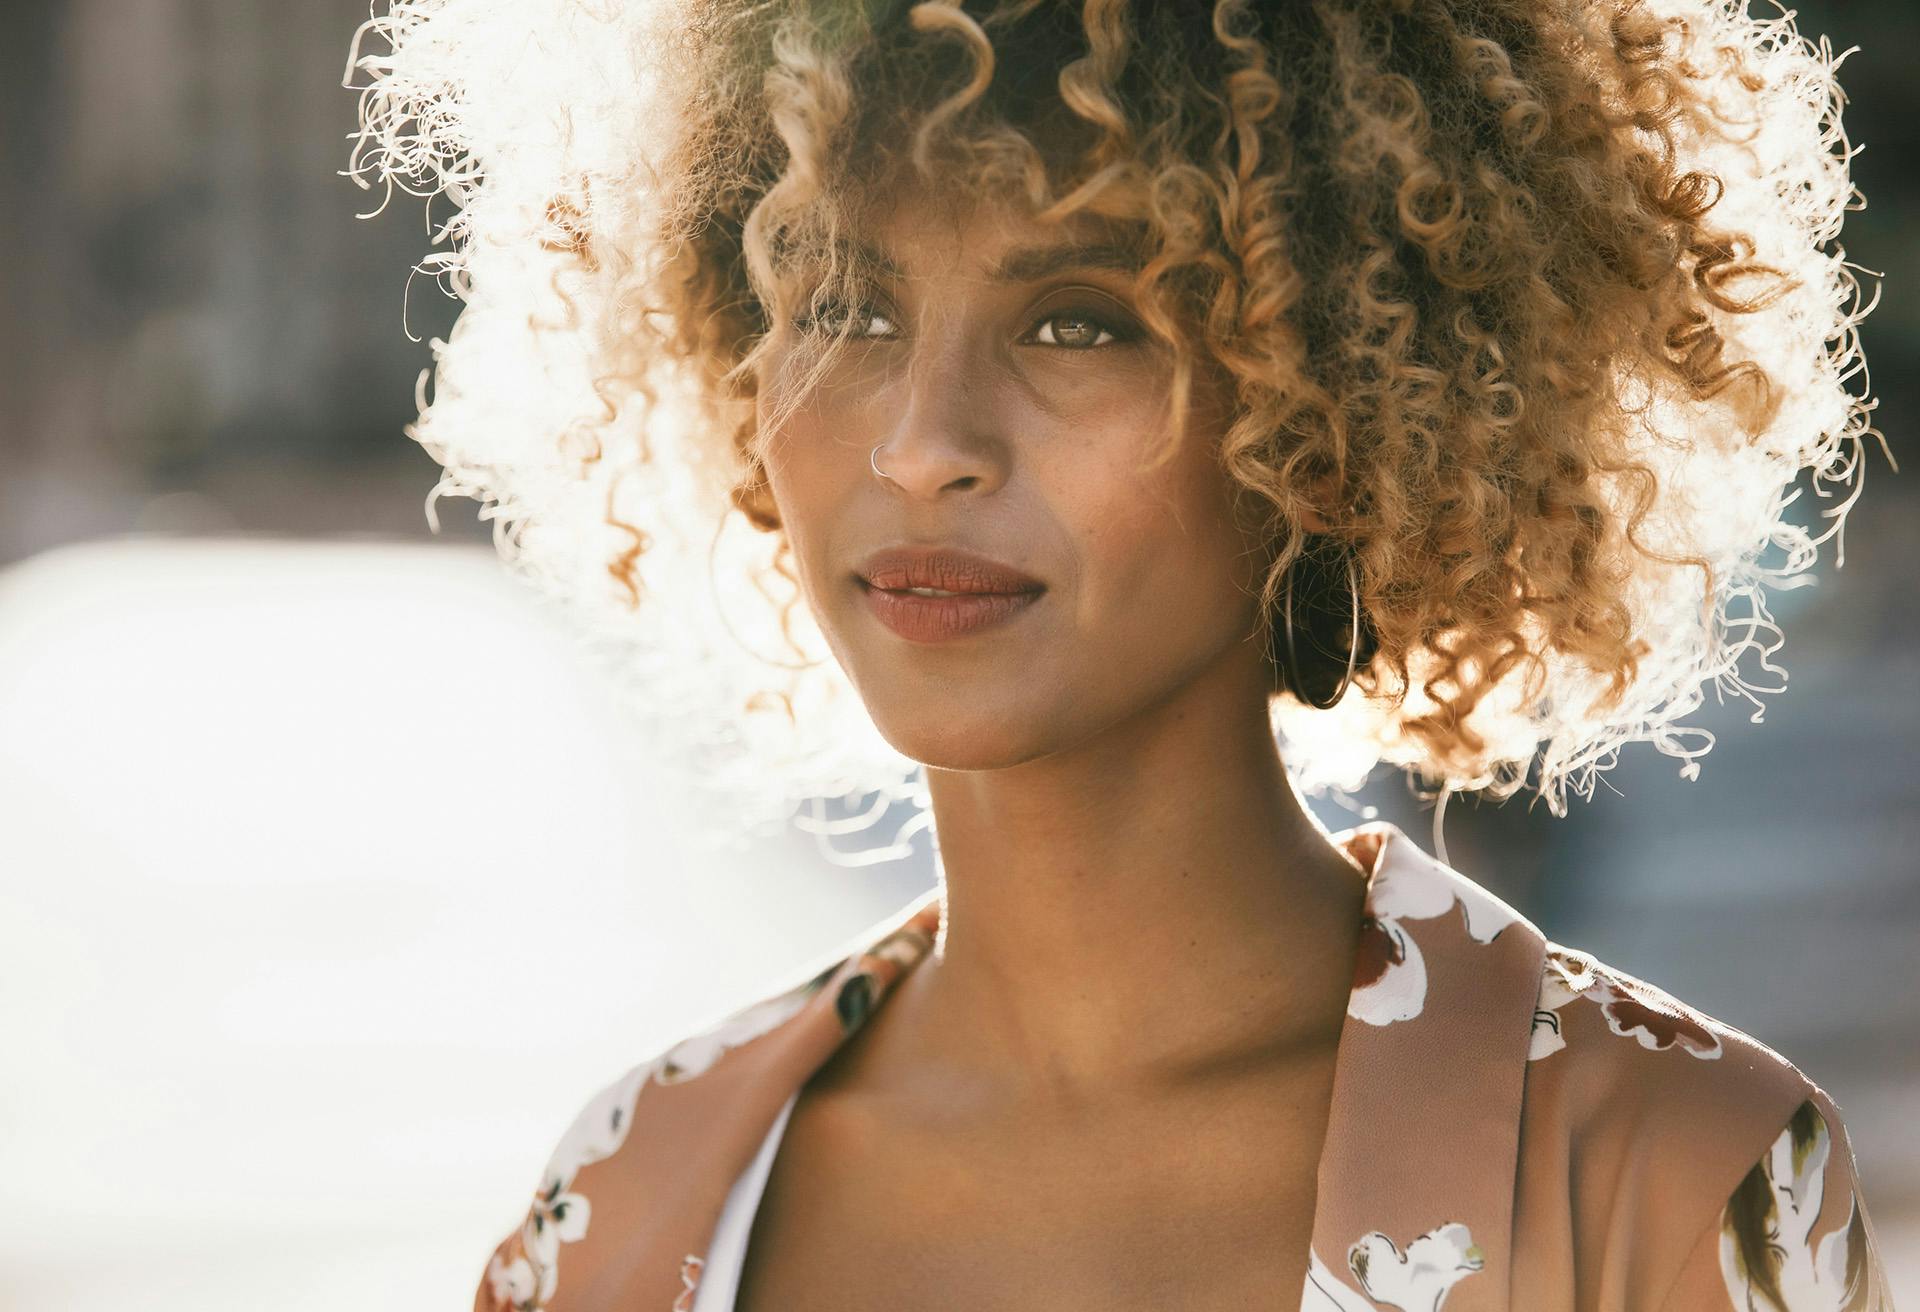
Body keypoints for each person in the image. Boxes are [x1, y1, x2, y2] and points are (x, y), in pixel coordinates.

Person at [344, 0, 1893, 1307]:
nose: (921, 442)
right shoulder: (629, 1207)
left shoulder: (1671, 1178)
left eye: (1079, 320)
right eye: (842, 303)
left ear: (1331, 411)